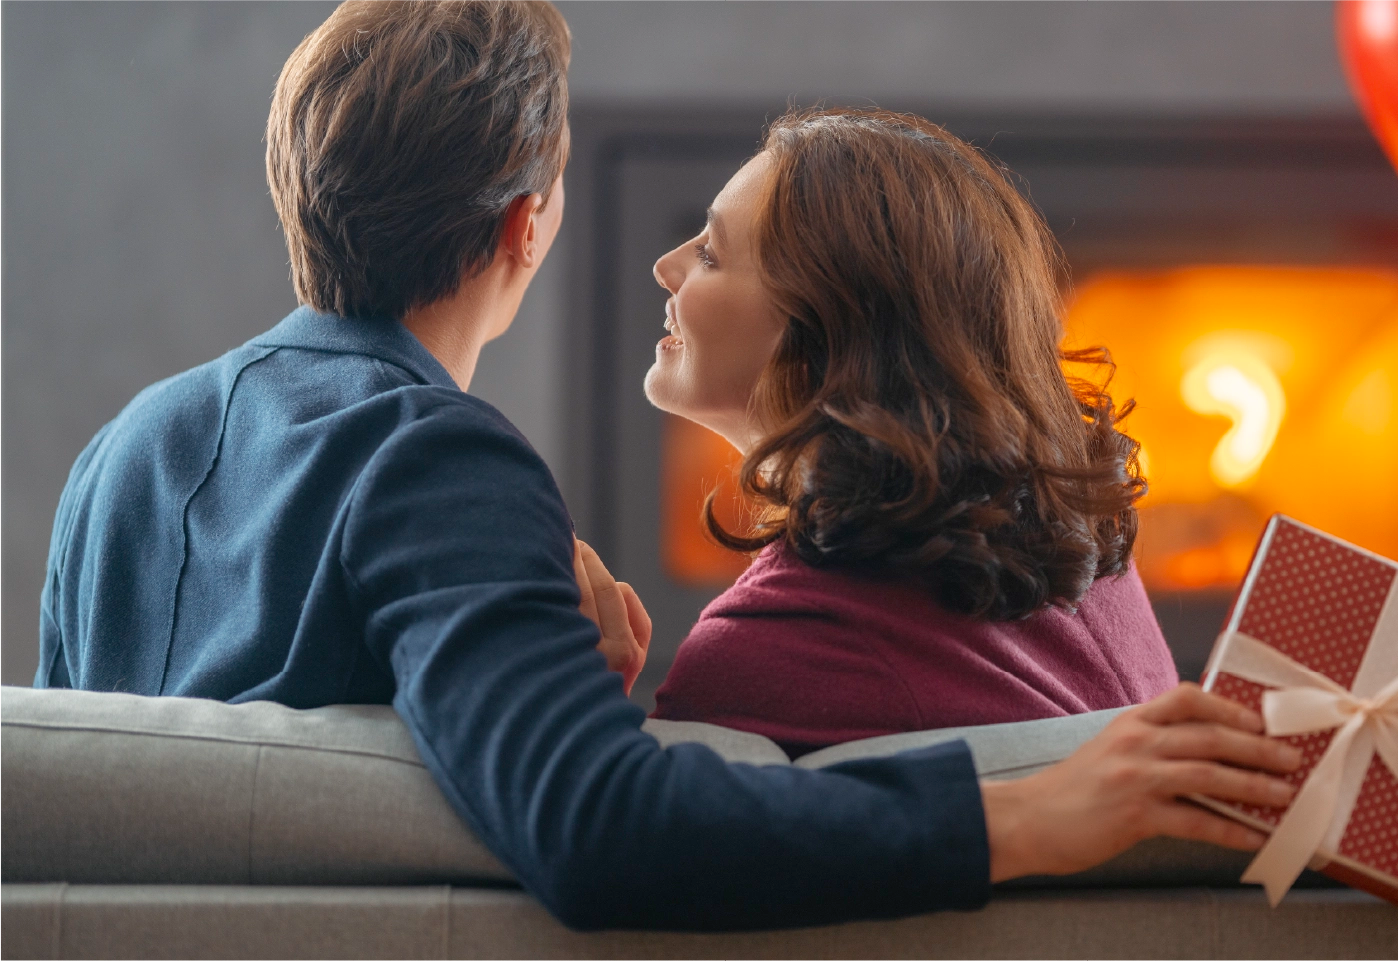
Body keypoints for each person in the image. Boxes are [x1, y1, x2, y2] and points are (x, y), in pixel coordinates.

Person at [35, 0, 1300, 932]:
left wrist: (516, 593)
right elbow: (601, 819)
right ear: (529, 224)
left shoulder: (114, 461)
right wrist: (1014, 812)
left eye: (709, 246)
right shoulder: (440, 462)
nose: (664, 269)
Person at [647, 109, 1178, 755]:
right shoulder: (1097, 572)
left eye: (709, 254)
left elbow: (642, 839)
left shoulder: (769, 648)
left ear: (826, 336)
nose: (664, 266)